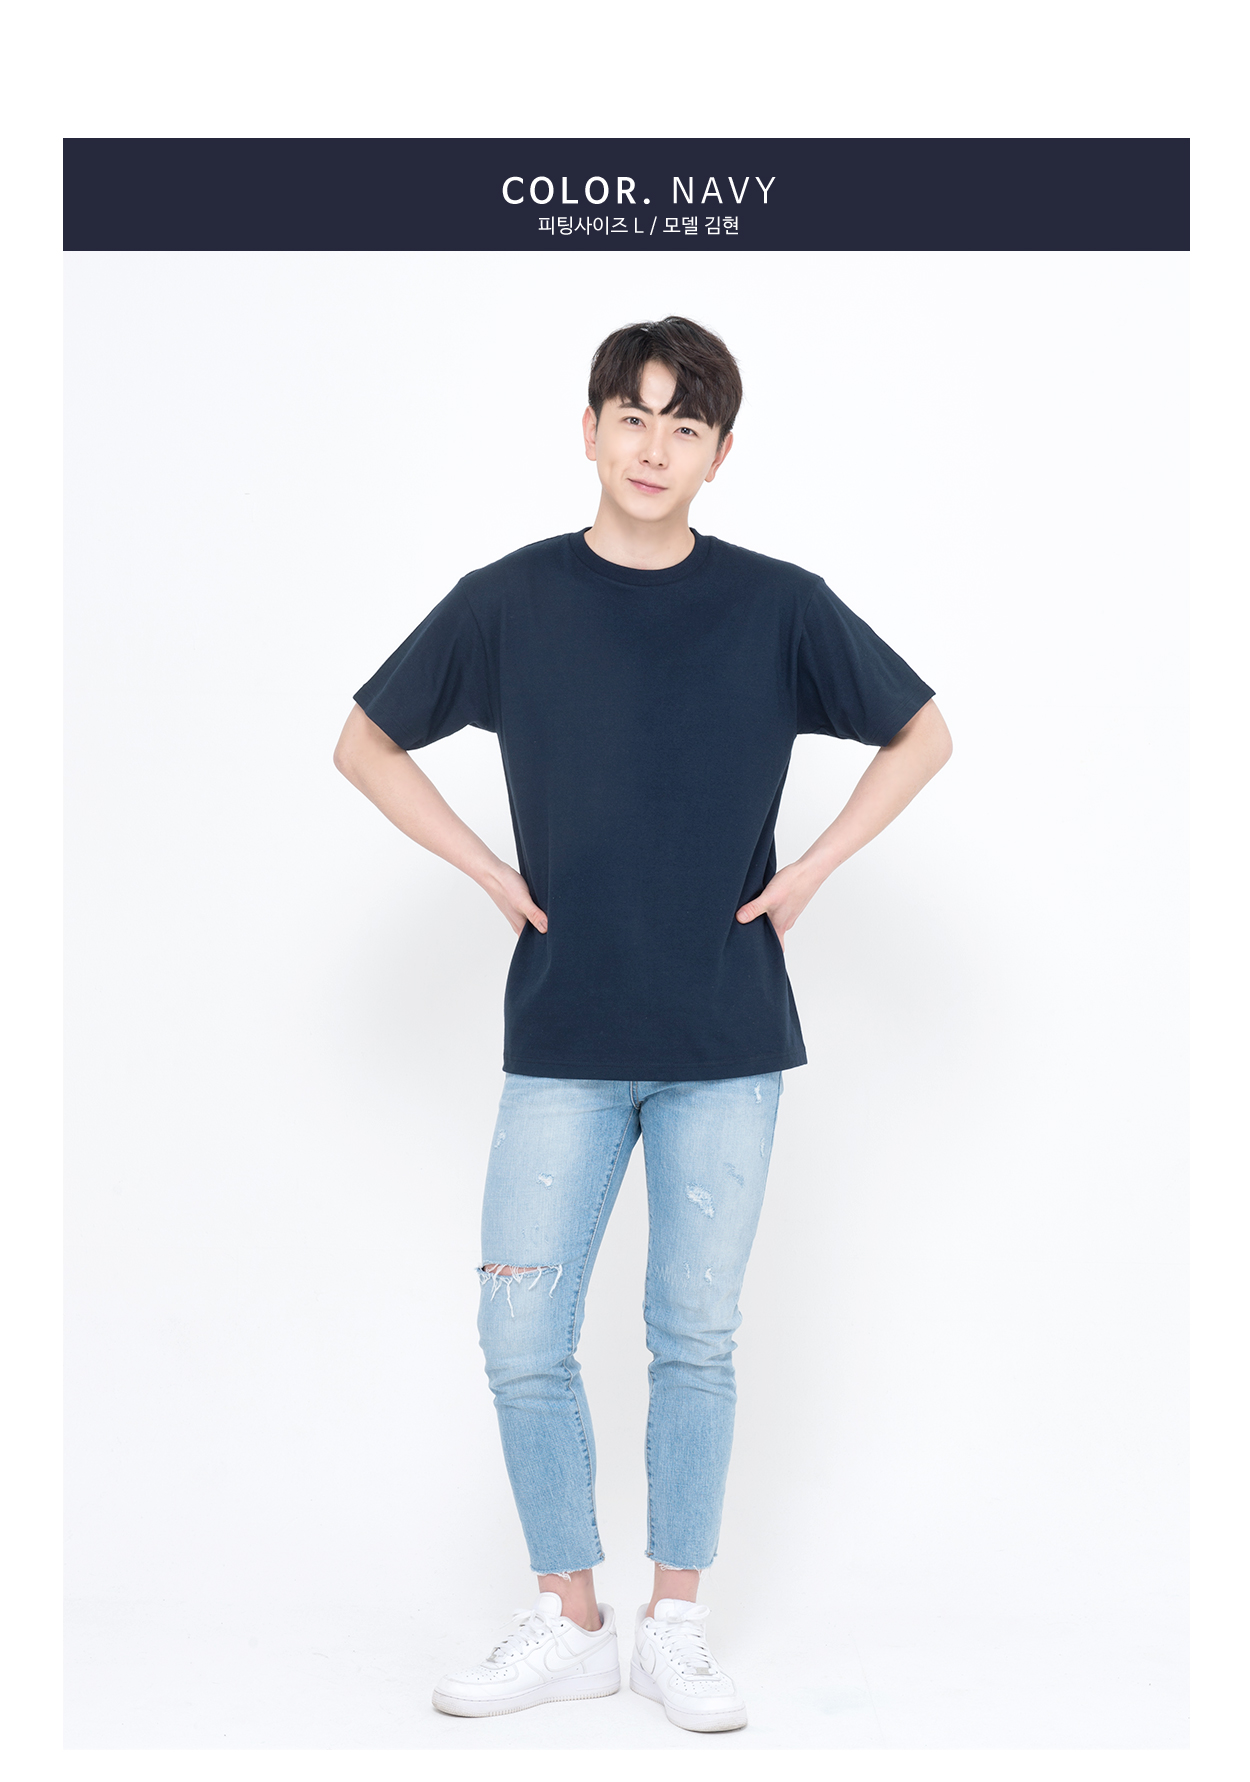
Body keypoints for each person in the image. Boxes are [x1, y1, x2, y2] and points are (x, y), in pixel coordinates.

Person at [333, 315, 952, 1733]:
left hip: (725, 1040)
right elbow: (364, 739)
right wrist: (489, 871)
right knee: (520, 1331)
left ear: (720, 453)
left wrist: (809, 871)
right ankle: (569, 1619)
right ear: (591, 429)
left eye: (685, 425)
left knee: (694, 1336)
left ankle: (675, 1624)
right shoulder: (508, 601)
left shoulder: (778, 605)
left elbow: (922, 730)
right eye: (634, 415)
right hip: (562, 1033)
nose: (654, 446)